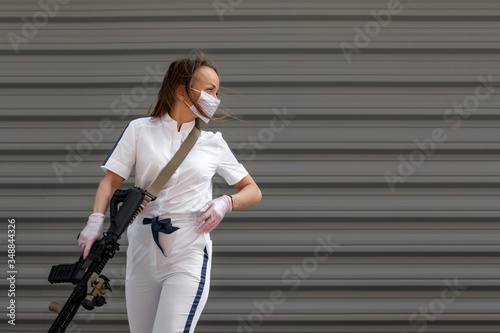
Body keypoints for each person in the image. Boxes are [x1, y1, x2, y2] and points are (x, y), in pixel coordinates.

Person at [77, 50, 262, 333]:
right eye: (209, 90)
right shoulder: (140, 130)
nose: (215, 98)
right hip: (141, 251)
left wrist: (226, 202)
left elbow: (252, 190)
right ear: (181, 90)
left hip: (187, 252)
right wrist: (94, 222)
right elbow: (111, 181)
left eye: (217, 91)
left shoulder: (213, 143)